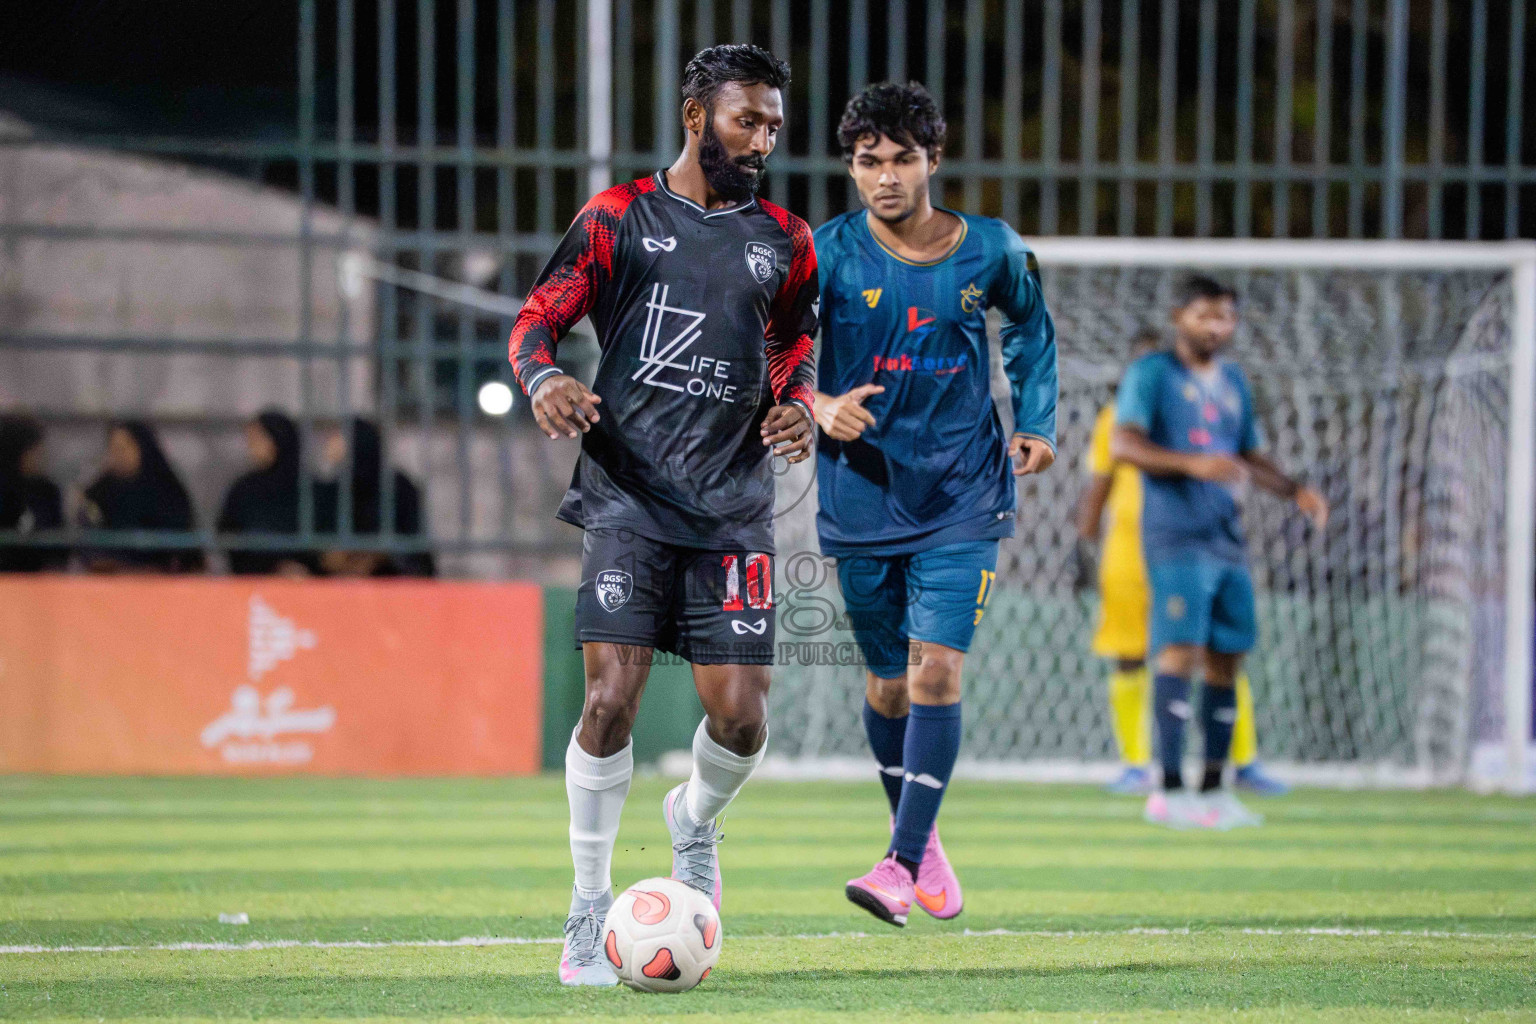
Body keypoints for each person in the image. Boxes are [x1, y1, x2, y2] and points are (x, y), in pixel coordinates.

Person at [509, 44, 816, 986]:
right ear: (696, 116)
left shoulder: (786, 239)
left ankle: (692, 823)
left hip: (732, 507)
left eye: (771, 124)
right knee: (610, 703)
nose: (762, 138)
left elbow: (795, 337)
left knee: (742, 718)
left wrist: (795, 400)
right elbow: (535, 319)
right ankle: (588, 905)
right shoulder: (617, 219)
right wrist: (545, 377)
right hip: (627, 499)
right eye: (745, 120)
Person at [812, 82, 1057, 926]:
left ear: (933, 160)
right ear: (851, 167)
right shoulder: (824, 254)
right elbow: (774, 348)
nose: (885, 178)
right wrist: (817, 404)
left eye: (902, 160)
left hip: (963, 494)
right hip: (862, 496)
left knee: (937, 671)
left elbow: (1030, 326)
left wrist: (1038, 423)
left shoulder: (989, 249)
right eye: (868, 162)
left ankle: (898, 863)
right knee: (887, 689)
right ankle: (916, 830)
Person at [1112, 276, 1328, 830]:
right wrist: (1192, 463)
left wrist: (1294, 490)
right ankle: (1166, 788)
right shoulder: (1153, 373)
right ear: (1180, 315)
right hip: (1175, 536)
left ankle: (1212, 791)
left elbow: (1248, 453)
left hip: (1226, 537)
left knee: (1227, 658)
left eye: (1225, 317)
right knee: (1179, 654)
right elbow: (1124, 444)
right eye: (1206, 316)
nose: (1217, 327)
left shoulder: (1232, 380)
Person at [1079, 335, 1292, 797]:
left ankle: (1242, 759)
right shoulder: (1114, 421)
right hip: (1127, 549)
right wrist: (1085, 539)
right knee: (1130, 652)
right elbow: (1102, 479)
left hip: (1190, 544)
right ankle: (1136, 764)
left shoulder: (1206, 410)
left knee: (1218, 653)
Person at [314, 418, 434, 578]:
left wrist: (371, 556)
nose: (330, 442)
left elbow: (409, 541)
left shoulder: (396, 486)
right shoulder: (335, 487)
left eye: (338, 436)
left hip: (393, 577)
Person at [80, 421, 203, 573]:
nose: (119, 454)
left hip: (163, 584)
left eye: (125, 447)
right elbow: (88, 545)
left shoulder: (167, 490)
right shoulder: (98, 493)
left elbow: (187, 551)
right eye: (114, 448)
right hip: (110, 584)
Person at [217, 410, 320, 576]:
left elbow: (323, 541)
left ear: (278, 438)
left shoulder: (312, 490)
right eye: (250, 439)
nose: (251, 446)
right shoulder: (243, 490)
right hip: (253, 582)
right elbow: (228, 536)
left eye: (258, 439)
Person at [0, 415, 67, 572]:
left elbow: (60, 545)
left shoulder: (47, 491)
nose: (40, 457)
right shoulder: (4, 490)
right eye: (34, 451)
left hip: (41, 582)